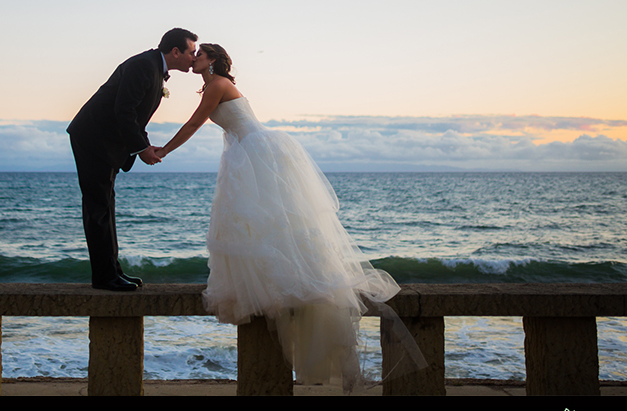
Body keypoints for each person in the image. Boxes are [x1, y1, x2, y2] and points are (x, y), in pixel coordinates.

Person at [159, 43, 424, 389]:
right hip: (247, 155)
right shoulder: (212, 85)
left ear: (212, 59)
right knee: (259, 225)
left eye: (199, 54)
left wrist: (163, 149)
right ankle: (277, 285)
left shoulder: (218, 83)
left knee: (275, 222)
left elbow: (195, 122)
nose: (194, 59)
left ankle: (302, 293)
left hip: (258, 154)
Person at [68, 28, 197, 291]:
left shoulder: (152, 67)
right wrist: (142, 149)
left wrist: (144, 145)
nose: (193, 58)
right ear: (175, 52)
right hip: (94, 139)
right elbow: (124, 111)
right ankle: (104, 278)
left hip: (105, 142)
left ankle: (112, 271)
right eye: (191, 52)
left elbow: (134, 115)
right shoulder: (143, 66)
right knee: (98, 208)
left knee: (106, 206)